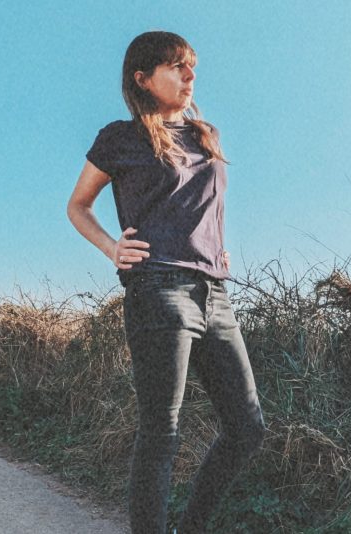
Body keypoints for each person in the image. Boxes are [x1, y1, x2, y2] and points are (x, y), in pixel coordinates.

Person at [66, 30, 267, 534]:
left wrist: (216, 247)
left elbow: (206, 206)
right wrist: (112, 247)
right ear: (143, 78)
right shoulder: (121, 137)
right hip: (158, 288)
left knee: (247, 427)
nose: (189, 74)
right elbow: (78, 206)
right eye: (177, 66)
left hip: (214, 293)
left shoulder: (205, 135)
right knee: (162, 432)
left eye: (191, 65)